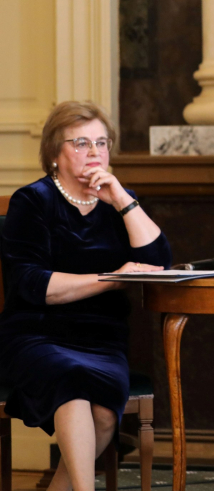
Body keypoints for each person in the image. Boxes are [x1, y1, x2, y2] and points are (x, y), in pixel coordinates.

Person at [0, 102, 170, 491]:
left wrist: (123, 200)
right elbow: (33, 285)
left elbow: (159, 263)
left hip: (102, 337)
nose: (94, 152)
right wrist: (112, 279)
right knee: (71, 379)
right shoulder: (33, 201)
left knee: (106, 416)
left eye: (101, 143)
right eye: (81, 143)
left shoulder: (116, 202)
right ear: (54, 153)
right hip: (37, 334)